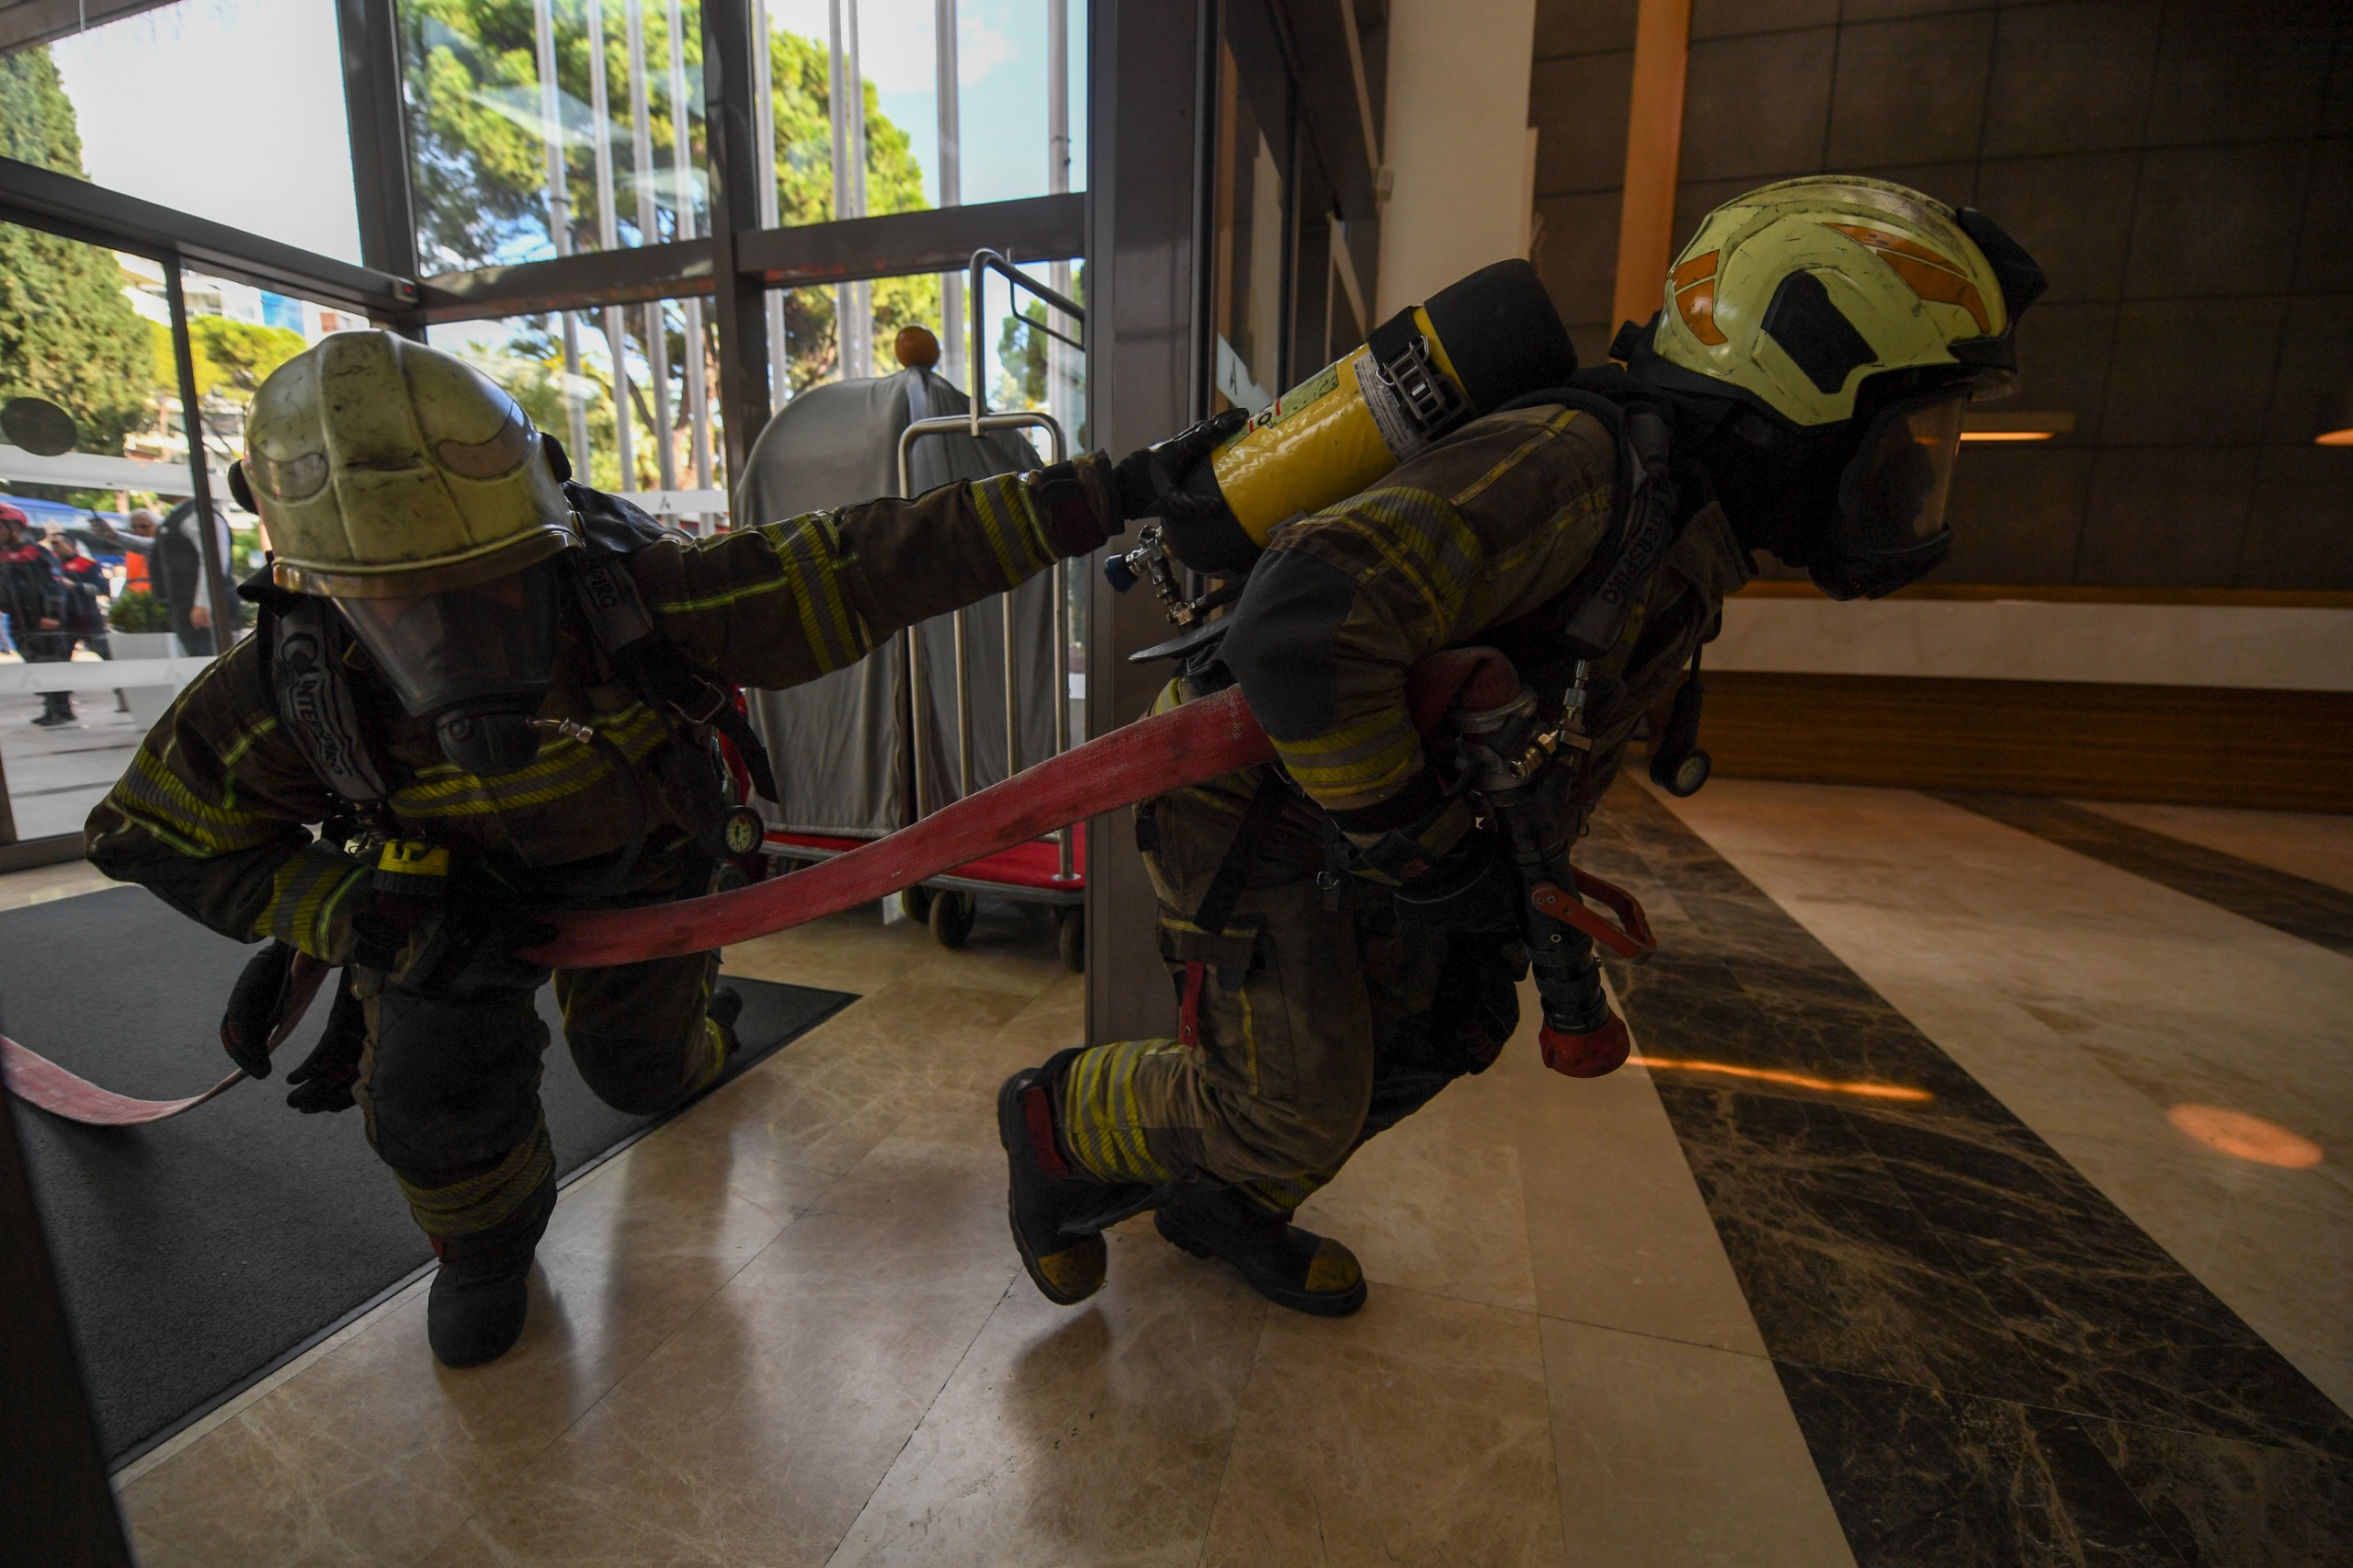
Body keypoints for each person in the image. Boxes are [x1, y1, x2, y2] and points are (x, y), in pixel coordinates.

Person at [998, 177, 2047, 1315]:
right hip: (1253, 799)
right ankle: (1054, 1124)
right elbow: (1303, 623)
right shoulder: (1577, 465)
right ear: (1804, 378)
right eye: (1904, 430)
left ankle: (1226, 1205)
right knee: (1287, 1100)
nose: (1912, 472)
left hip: (1361, 798)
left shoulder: (1681, 509)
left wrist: (1483, 855)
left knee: (1448, 1016)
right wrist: (1424, 846)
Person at [85, 330, 1221, 1369]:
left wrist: (1110, 492)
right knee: (429, 1089)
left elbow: (867, 560)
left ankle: (691, 1029)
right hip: (439, 912)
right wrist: (349, 914)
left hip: (641, 873)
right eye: (399, 603)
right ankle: (482, 1252)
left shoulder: (635, 594)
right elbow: (148, 831)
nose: (448, 629)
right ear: (323, 588)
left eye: (487, 587)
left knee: (642, 1076)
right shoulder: (277, 690)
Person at [1, 506, 74, 725]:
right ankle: (53, 707)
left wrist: (52, 615)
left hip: (44, 620)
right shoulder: (3, 556)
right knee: (34, 662)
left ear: (14, 528)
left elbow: (55, 586)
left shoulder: (36, 553)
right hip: (19, 620)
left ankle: (60, 709)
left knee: (51, 663)